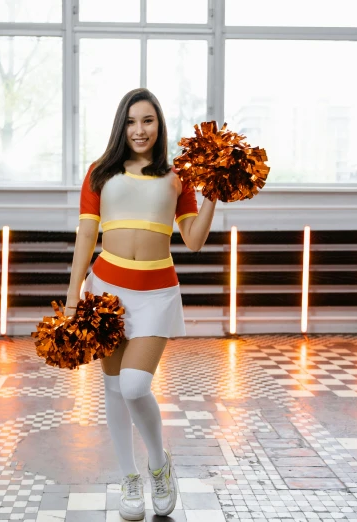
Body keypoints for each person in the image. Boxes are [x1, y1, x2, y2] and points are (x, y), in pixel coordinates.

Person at [65, 88, 217, 520]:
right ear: (121, 125)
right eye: (132, 121)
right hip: (107, 292)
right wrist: (75, 294)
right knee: (113, 389)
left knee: (134, 385)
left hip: (155, 295)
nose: (139, 130)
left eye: (147, 121)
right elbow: (85, 238)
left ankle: (157, 463)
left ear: (159, 126)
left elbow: (194, 240)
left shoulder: (177, 178)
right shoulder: (99, 173)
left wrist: (214, 195)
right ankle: (129, 476)